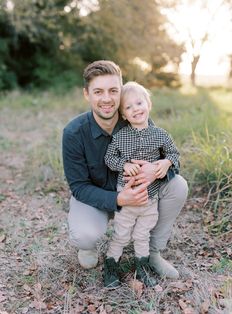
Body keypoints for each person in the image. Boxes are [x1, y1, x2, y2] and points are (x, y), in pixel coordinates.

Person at [62, 60, 188, 286]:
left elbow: (171, 158)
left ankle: (152, 252)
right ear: (86, 94)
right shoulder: (74, 132)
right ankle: (90, 247)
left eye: (113, 90)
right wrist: (119, 198)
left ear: (121, 92)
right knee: (85, 234)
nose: (107, 98)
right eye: (98, 92)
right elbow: (79, 186)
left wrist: (157, 169)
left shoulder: (137, 118)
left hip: (142, 195)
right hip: (98, 198)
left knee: (178, 185)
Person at [103, 81, 181, 287]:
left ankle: (141, 268)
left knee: (142, 235)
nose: (135, 108)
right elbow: (109, 159)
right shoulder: (120, 137)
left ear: (148, 104)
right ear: (123, 115)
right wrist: (124, 164)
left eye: (139, 103)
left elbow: (174, 154)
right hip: (127, 196)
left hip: (150, 198)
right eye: (128, 107)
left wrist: (166, 162)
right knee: (121, 233)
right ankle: (111, 267)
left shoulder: (161, 135)